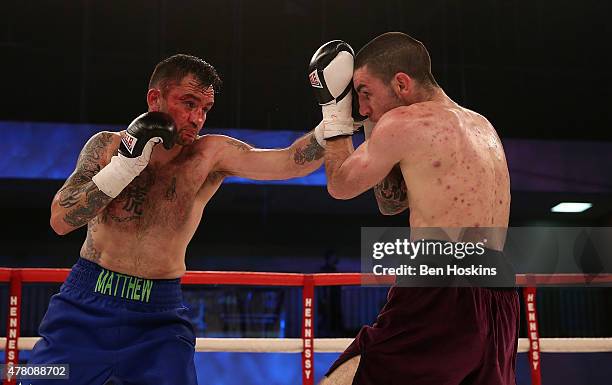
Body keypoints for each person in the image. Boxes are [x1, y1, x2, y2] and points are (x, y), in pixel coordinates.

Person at [29, 54, 325, 385]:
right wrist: (124, 168)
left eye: (205, 109)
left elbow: (289, 162)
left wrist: (332, 124)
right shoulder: (106, 146)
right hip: (85, 303)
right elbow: (61, 219)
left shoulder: (208, 156)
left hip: (159, 317)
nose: (197, 118)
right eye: (189, 103)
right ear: (154, 99)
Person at [309, 33, 519, 384]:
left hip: (442, 284)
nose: (361, 108)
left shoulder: (406, 122)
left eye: (365, 92)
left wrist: (334, 115)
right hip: (499, 291)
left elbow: (340, 185)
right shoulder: (483, 126)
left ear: (401, 83)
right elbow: (390, 204)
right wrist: (375, 125)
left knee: (347, 378)